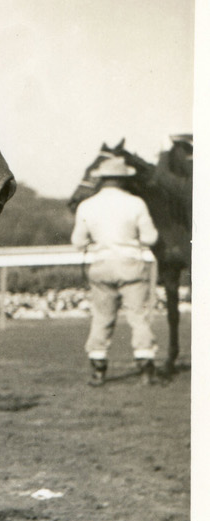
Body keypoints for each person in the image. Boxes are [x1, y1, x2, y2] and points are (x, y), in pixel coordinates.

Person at [71, 153, 160, 385]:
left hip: (101, 266)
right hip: (131, 265)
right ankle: (145, 365)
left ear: (102, 179)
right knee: (138, 317)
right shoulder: (136, 203)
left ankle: (98, 367)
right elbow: (150, 238)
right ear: (122, 179)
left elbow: (78, 242)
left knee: (102, 318)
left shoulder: (86, 206)